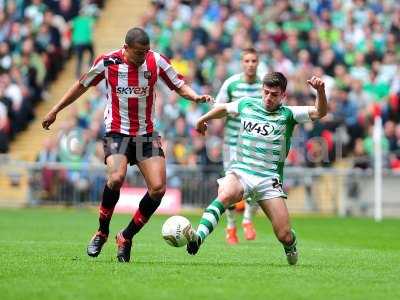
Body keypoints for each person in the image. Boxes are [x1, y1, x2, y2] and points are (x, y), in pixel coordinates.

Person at [42, 27, 213, 263]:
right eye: (138, 53)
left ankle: (126, 236)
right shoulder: (108, 62)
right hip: (117, 132)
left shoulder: (156, 61)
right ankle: (102, 231)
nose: (143, 57)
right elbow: (81, 85)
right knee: (115, 178)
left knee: (158, 189)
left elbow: (178, 84)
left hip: (145, 134)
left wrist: (195, 96)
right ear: (126, 48)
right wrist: (55, 110)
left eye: (145, 51)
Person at [187, 72, 327, 265]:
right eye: (266, 92)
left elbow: (320, 112)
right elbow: (224, 109)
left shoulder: (289, 114)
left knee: (284, 234)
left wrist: (320, 91)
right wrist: (202, 118)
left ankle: (291, 245)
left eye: (274, 94)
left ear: (283, 95)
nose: (269, 97)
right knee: (226, 194)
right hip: (242, 172)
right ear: (262, 89)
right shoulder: (247, 104)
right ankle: (198, 237)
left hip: (268, 180)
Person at [215, 47, 262, 244]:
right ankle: (231, 227)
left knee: (259, 186)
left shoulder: (263, 85)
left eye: (254, 61)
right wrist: (226, 113)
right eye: (247, 61)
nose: (250, 64)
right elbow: (218, 107)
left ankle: (248, 221)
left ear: (258, 63)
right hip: (232, 145)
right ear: (242, 63)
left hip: (256, 145)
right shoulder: (231, 84)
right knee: (229, 189)